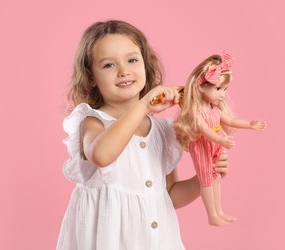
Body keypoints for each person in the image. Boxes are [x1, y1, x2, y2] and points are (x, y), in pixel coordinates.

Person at [56, 20, 228, 250]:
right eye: (108, 65)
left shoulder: (162, 132)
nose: (123, 71)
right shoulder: (93, 122)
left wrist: (204, 178)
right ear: (91, 77)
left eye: (132, 60)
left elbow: (169, 196)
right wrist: (144, 106)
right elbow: (101, 155)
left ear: (146, 65)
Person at [173, 51, 266, 226]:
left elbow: (229, 120)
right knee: (206, 180)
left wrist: (249, 124)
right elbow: (204, 130)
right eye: (218, 89)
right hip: (202, 148)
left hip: (215, 146)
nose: (222, 94)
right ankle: (212, 215)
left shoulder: (212, 107)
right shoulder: (196, 112)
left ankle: (219, 210)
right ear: (200, 86)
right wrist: (220, 140)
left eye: (224, 89)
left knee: (216, 177)